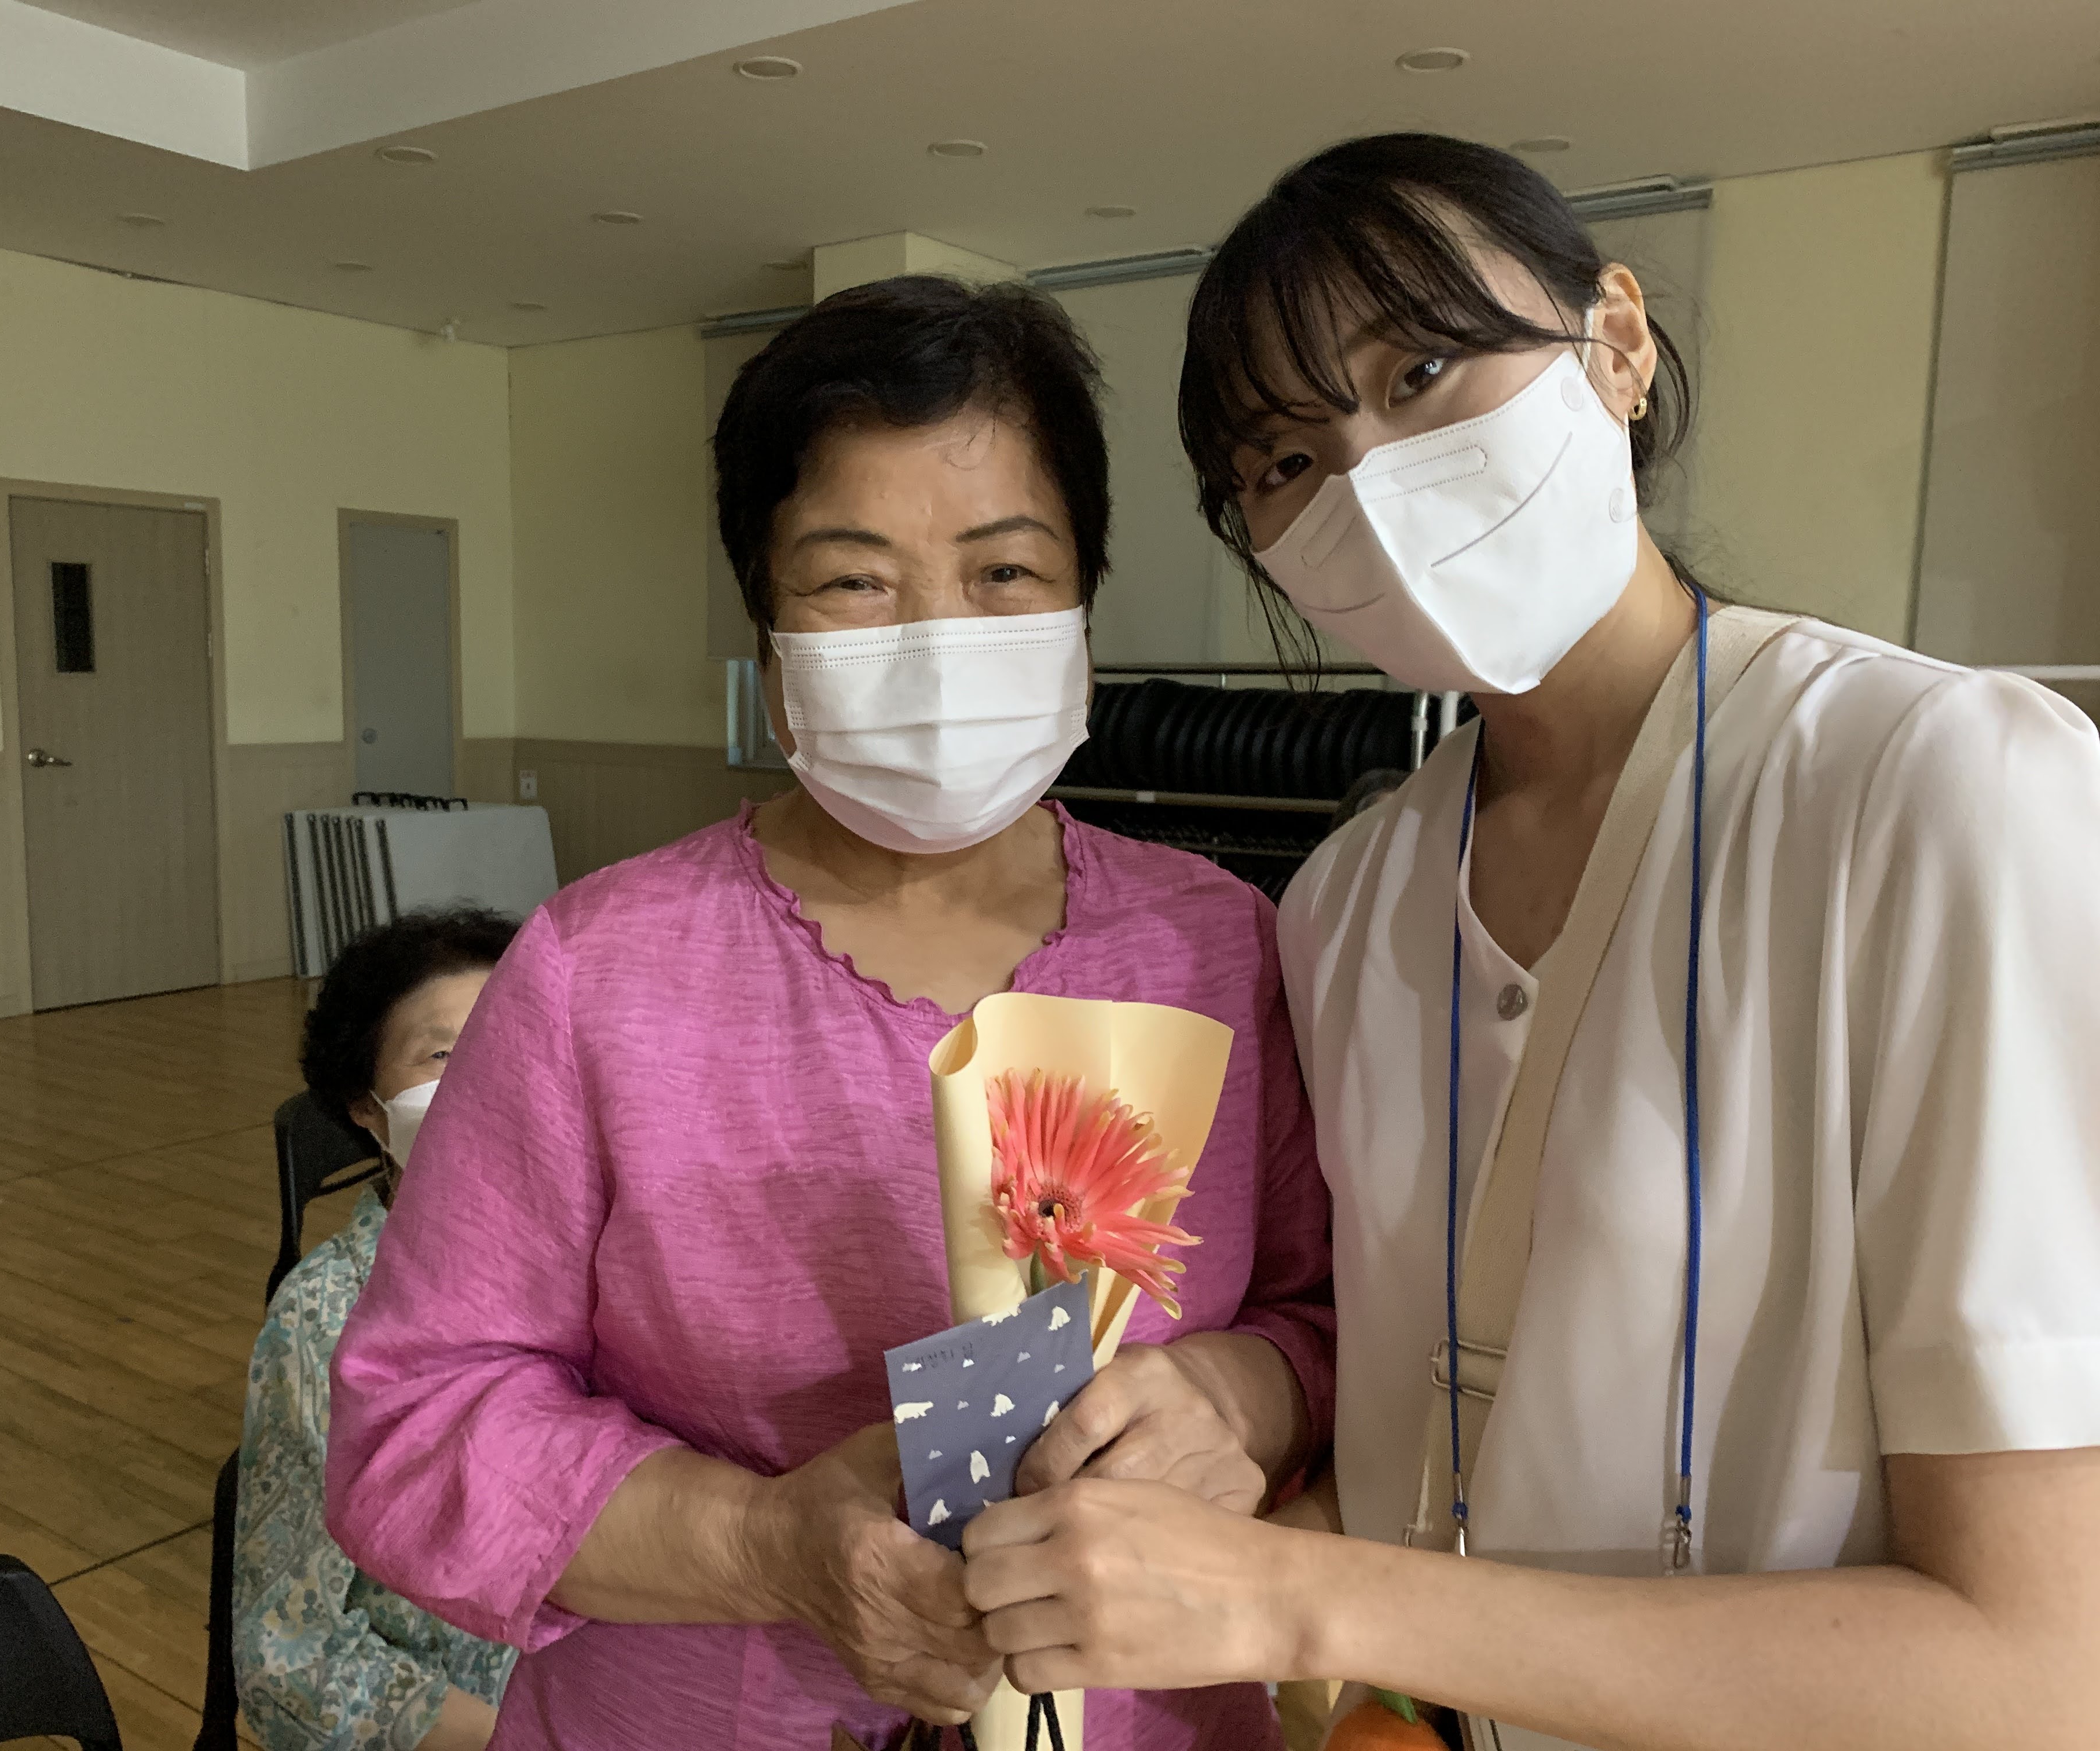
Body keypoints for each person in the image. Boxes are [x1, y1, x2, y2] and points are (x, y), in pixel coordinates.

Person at [962, 133, 2100, 1748]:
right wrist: (1192, 1458)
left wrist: (1296, 1596)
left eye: (1420, 370)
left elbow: (2045, 1672)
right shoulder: (1347, 903)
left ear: (1616, 344)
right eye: (1286, 460)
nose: (1370, 479)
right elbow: (1448, 1431)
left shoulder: (1934, 790)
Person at [325, 276, 1337, 1750]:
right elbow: (419, 1427)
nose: (935, 637)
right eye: (855, 582)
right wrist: (767, 1546)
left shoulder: (1219, 950)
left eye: (1004, 571)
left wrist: (1241, 1394)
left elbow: (1339, 1323)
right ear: (767, 627)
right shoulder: (599, 971)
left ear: (1084, 604)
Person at [232, 909, 521, 1751]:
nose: (491, 1079)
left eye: (514, 1039)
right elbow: (292, 1662)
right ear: (366, 1105)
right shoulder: (332, 1320)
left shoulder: (608, 1269)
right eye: (443, 1057)